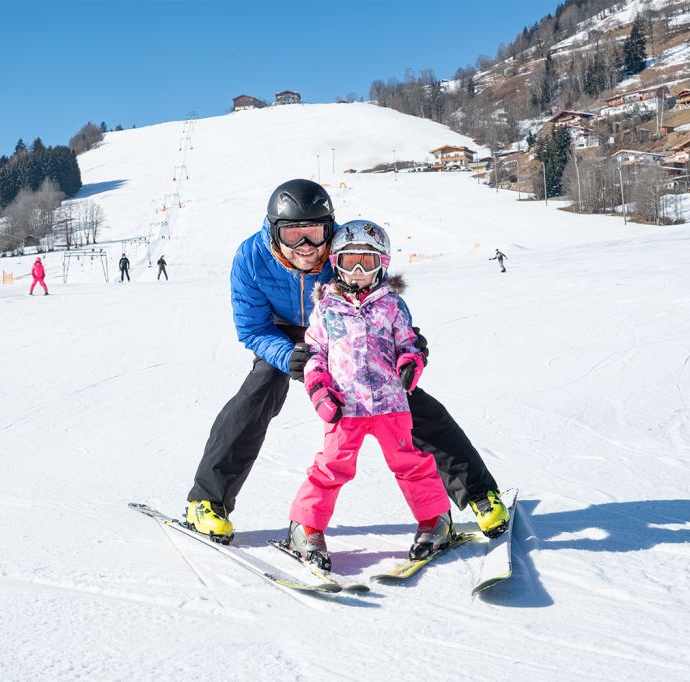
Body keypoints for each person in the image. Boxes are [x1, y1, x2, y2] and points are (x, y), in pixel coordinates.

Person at [185, 178, 507, 544]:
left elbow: (378, 289)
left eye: (315, 234)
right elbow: (253, 329)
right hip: (284, 334)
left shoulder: (344, 248)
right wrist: (287, 355)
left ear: (330, 229)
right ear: (275, 234)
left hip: (344, 325)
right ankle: (206, 501)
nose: (306, 247)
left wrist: (407, 344)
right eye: (293, 237)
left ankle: (480, 493)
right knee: (259, 393)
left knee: (406, 399)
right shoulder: (251, 257)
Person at [286, 220, 453, 571]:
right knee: (331, 467)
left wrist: (411, 362)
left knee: (410, 464)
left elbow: (409, 342)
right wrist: (320, 390)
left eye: (367, 261)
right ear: (336, 264)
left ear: (383, 265)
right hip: (345, 407)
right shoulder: (326, 309)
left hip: (391, 404)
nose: (359, 271)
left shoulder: (392, 305)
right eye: (350, 262)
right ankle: (306, 527)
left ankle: (434, 521)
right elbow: (314, 354)